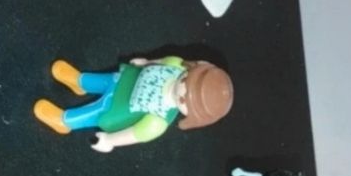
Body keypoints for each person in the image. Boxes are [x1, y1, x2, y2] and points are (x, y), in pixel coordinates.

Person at [34, 56, 233, 151]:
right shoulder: (175, 65)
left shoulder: (157, 122)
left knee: (96, 111)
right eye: (188, 81)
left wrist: (110, 141)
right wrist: (146, 63)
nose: (182, 90)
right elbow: (160, 62)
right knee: (102, 80)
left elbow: (132, 135)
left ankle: (65, 121)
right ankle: (79, 82)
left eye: (187, 100)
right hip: (124, 79)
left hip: (118, 108)